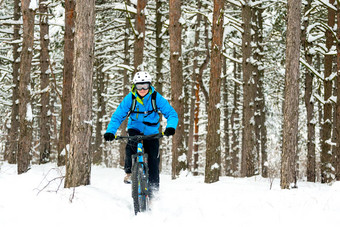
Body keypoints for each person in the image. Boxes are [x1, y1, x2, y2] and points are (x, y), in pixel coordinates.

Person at [104, 71, 178, 196]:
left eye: (145, 86)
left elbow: (171, 113)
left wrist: (170, 127)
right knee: (130, 147)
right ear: (134, 86)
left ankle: (154, 191)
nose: (142, 89)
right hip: (135, 128)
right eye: (139, 86)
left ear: (150, 86)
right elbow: (118, 116)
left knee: (154, 161)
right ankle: (129, 173)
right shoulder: (130, 98)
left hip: (152, 131)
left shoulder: (156, 97)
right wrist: (110, 131)